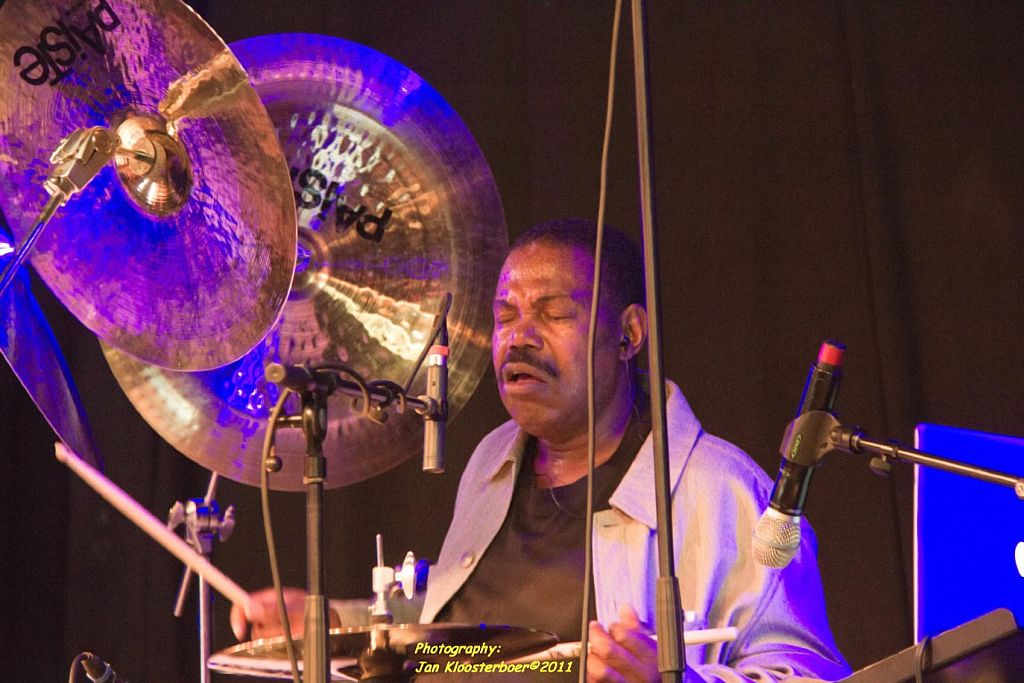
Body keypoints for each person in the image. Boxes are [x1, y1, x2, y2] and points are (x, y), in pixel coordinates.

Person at [233, 219, 851, 682]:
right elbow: (465, 639)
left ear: (628, 334)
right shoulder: (492, 462)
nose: (518, 337)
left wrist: (677, 680)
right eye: (506, 315)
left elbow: (810, 673)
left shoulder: (721, 487)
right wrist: (337, 624)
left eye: (553, 314)